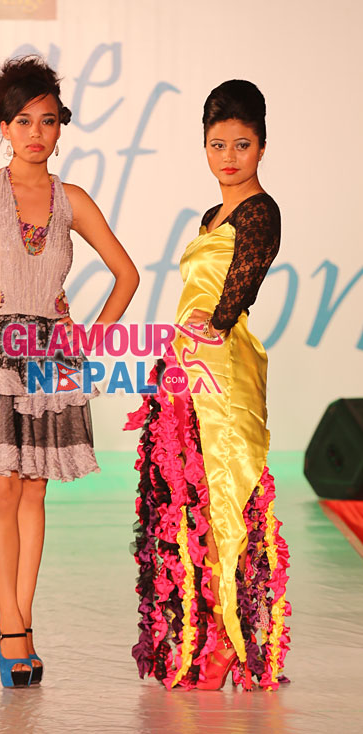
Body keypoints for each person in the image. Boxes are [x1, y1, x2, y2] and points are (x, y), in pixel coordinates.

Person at [0, 56, 139, 688]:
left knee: (34, 489)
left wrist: (87, 339)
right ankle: (11, 624)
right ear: (3, 126)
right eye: (22, 120)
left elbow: (126, 274)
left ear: (60, 127)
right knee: (0, 486)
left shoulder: (72, 200)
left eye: (47, 121)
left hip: (50, 355)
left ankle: (22, 622)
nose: (35, 133)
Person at [126, 79, 290, 691]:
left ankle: (226, 641)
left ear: (262, 146)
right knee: (191, 499)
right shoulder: (210, 216)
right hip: (189, 363)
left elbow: (235, 296)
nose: (229, 157)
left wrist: (204, 332)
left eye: (241, 144)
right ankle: (202, 633)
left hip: (223, 365)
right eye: (217, 145)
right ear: (204, 146)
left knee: (226, 498)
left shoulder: (260, 212)